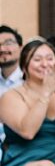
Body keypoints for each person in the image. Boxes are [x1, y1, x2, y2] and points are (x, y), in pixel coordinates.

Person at [0, 25, 24, 157]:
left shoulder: (29, 80)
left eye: (8, 43)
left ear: (20, 47)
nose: (2, 49)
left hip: (20, 147)